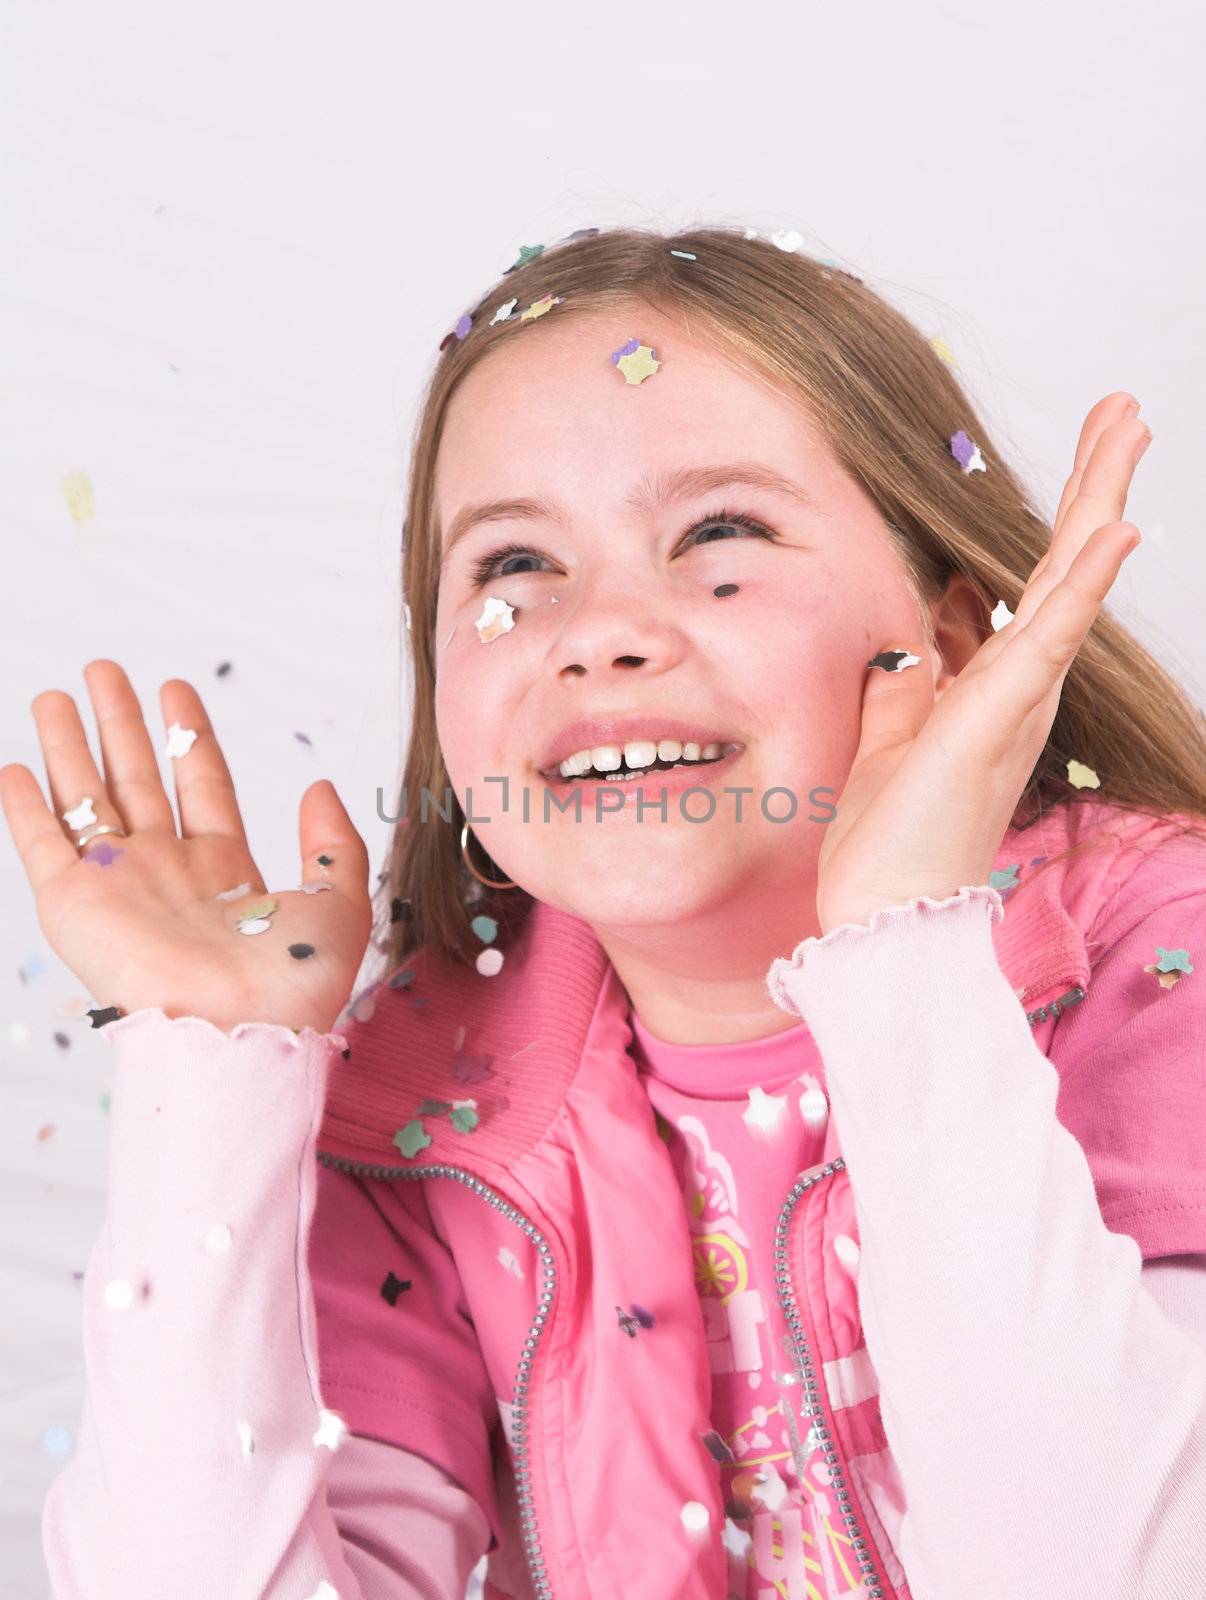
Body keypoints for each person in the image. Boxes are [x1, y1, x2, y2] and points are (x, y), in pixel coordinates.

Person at [6, 226, 1206, 1600]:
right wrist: (205, 1081)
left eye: (719, 535)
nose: (599, 629)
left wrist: (900, 944)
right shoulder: (423, 1107)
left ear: (939, 643)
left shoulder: (1155, 960)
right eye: (513, 566)